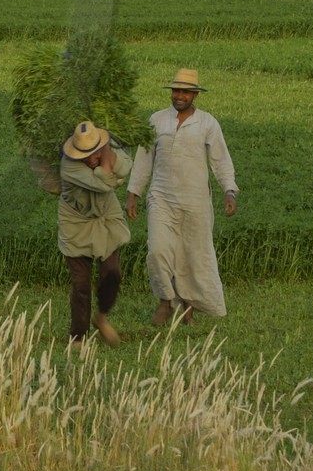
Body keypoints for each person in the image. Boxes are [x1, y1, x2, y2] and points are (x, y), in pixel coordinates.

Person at [126, 68, 238, 324]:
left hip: (195, 201)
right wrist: (133, 193)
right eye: (176, 90)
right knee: (157, 251)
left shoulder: (207, 123)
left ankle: (188, 308)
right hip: (161, 197)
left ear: (195, 95)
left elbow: (221, 160)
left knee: (191, 255)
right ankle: (165, 301)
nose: (179, 95)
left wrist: (229, 191)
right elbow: (143, 159)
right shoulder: (156, 120)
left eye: (185, 92)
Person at [58, 120, 133, 345]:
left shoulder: (105, 149)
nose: (91, 159)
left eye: (95, 152)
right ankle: (78, 336)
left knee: (113, 272)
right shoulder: (69, 166)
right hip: (76, 222)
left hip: (106, 217)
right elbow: (104, 184)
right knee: (81, 283)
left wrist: (107, 149)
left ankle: (101, 317)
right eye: (86, 156)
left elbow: (126, 166)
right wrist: (106, 157)